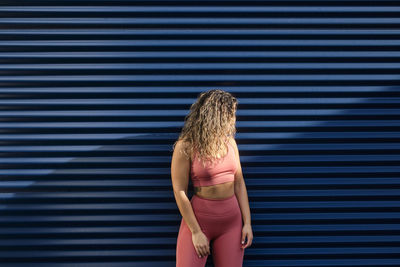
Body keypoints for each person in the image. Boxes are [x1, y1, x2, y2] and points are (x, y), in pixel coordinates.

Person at [171, 89, 253, 267]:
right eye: (231, 114)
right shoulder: (186, 145)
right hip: (200, 221)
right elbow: (180, 191)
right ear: (217, 116)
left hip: (232, 223)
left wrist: (247, 223)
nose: (234, 119)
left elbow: (239, 183)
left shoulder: (230, 143)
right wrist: (195, 231)